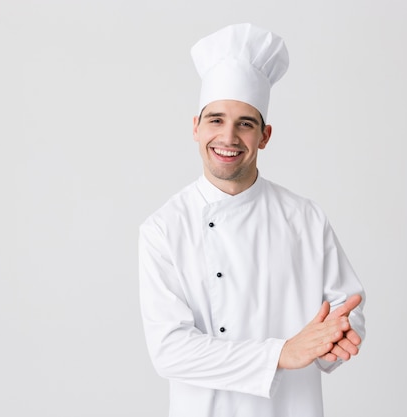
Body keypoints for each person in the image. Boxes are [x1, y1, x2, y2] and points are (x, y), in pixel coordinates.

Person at [138, 22, 366, 417]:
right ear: (195, 127)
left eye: (245, 123)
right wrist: (283, 352)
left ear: (265, 135)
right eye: (215, 119)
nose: (228, 137)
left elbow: (347, 307)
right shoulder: (163, 228)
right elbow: (169, 351)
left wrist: (339, 336)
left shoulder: (305, 219)